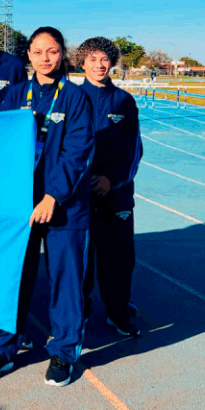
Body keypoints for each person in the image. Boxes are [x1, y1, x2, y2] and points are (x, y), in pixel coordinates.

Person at [0, 27, 94, 387]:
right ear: (28, 55)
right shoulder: (15, 95)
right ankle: (4, 348)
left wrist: (52, 196)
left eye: (53, 51)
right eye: (39, 51)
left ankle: (63, 353)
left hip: (63, 207)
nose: (46, 57)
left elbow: (78, 154)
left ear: (62, 54)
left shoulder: (76, 98)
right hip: (19, 207)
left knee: (66, 281)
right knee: (13, 279)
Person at [76, 37, 143, 337]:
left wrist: (111, 180)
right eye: (92, 59)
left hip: (116, 197)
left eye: (104, 59)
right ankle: (80, 312)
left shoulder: (124, 102)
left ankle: (118, 311)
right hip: (80, 195)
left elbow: (133, 151)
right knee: (81, 259)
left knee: (118, 258)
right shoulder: (72, 98)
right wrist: (81, 180)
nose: (99, 65)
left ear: (112, 62)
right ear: (82, 61)